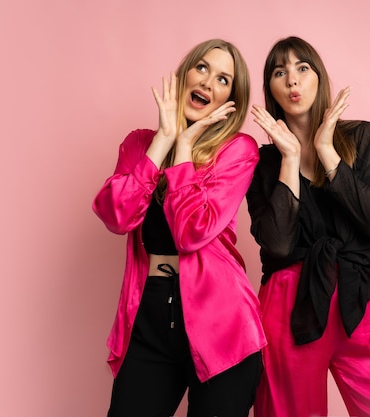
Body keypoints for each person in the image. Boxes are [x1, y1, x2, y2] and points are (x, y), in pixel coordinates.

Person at [246, 36, 370, 417]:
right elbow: (277, 245)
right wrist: (290, 158)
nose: (293, 81)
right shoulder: (264, 162)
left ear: (319, 77)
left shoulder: (364, 137)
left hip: (355, 299)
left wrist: (327, 151)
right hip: (289, 307)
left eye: (302, 68)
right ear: (272, 90)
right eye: (281, 73)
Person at [93, 39, 266, 417]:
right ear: (185, 74)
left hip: (222, 327)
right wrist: (164, 142)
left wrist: (185, 148)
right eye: (202, 68)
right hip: (150, 316)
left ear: (229, 100)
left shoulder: (238, 150)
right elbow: (115, 215)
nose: (208, 82)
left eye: (223, 79)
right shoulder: (139, 144)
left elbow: (192, 232)